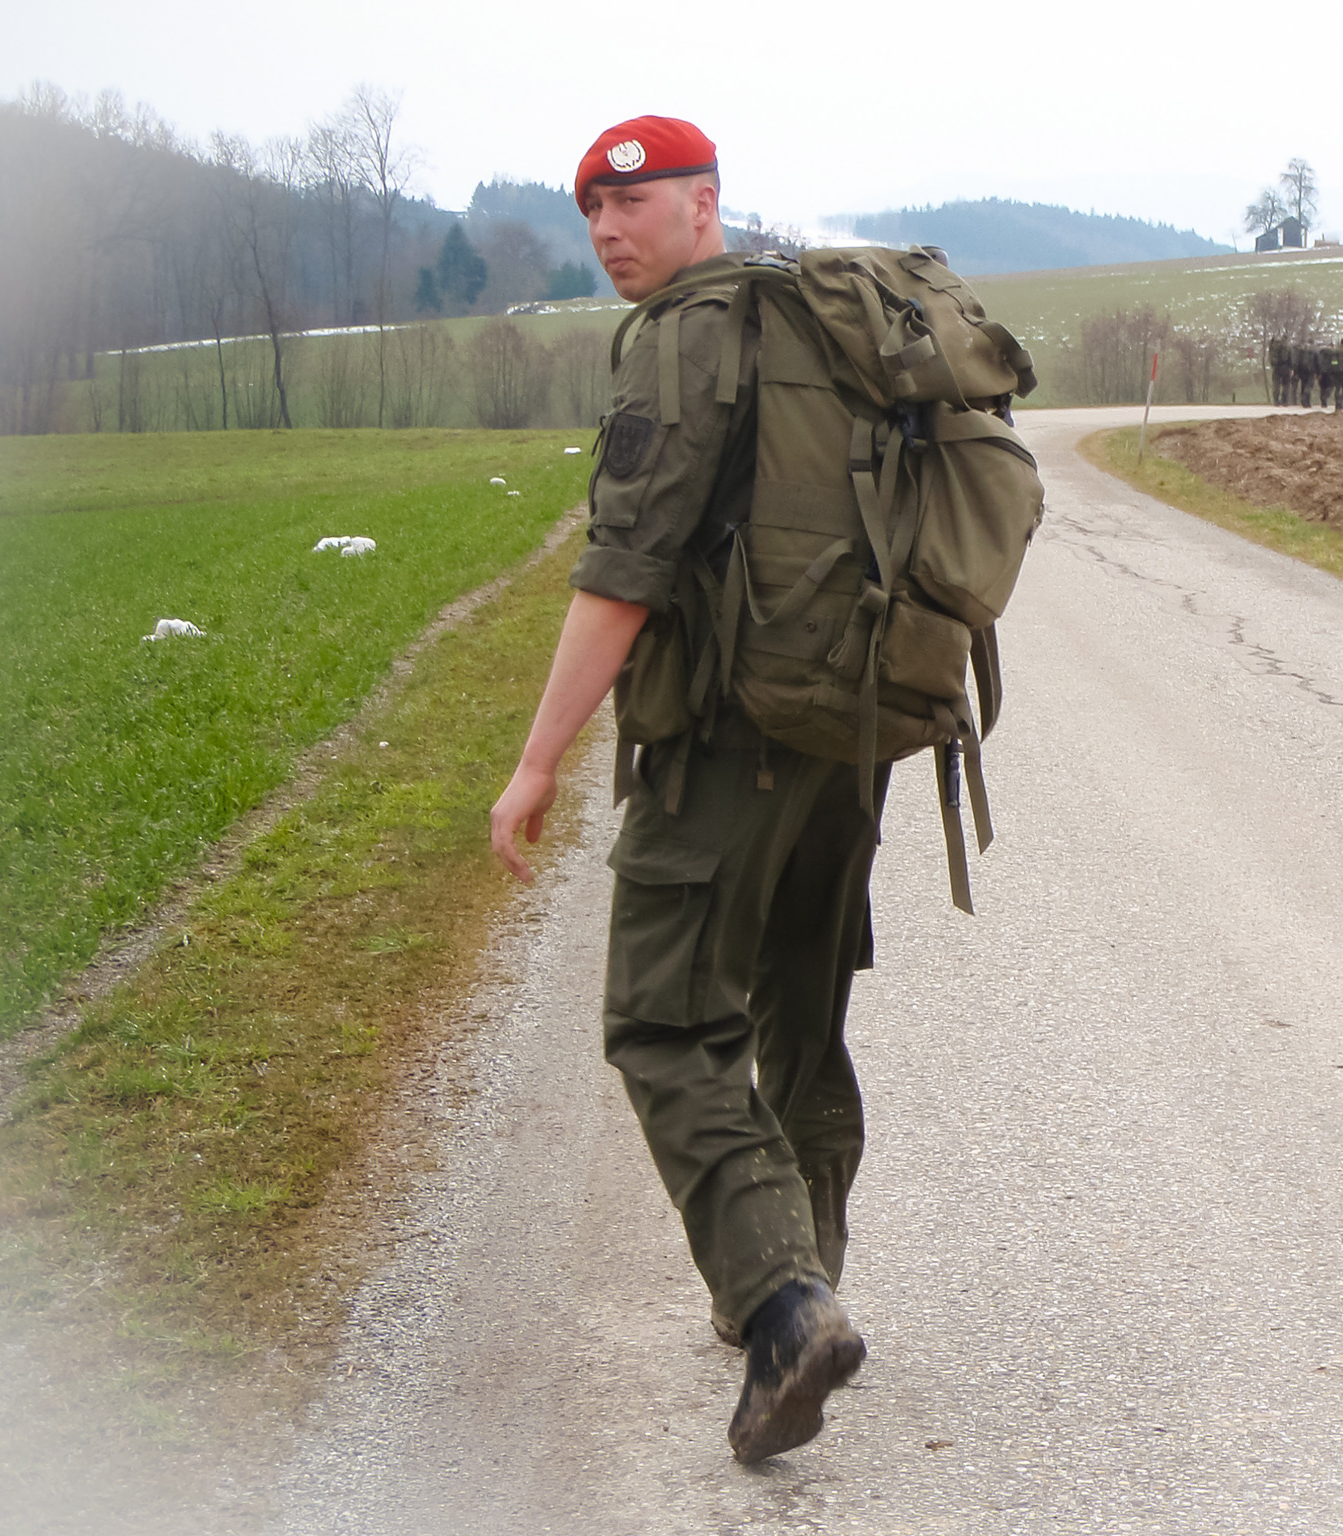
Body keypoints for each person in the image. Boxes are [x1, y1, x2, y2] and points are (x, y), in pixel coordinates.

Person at [489, 115, 878, 1466]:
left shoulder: (681, 336)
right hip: (850, 732)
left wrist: (540, 756)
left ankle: (783, 1308)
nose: (608, 232)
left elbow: (626, 569)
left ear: (704, 203)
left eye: (634, 203)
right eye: (592, 211)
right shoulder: (812, 319)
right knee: (798, 1006)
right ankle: (809, 1270)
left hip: (729, 736)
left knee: (664, 1023)